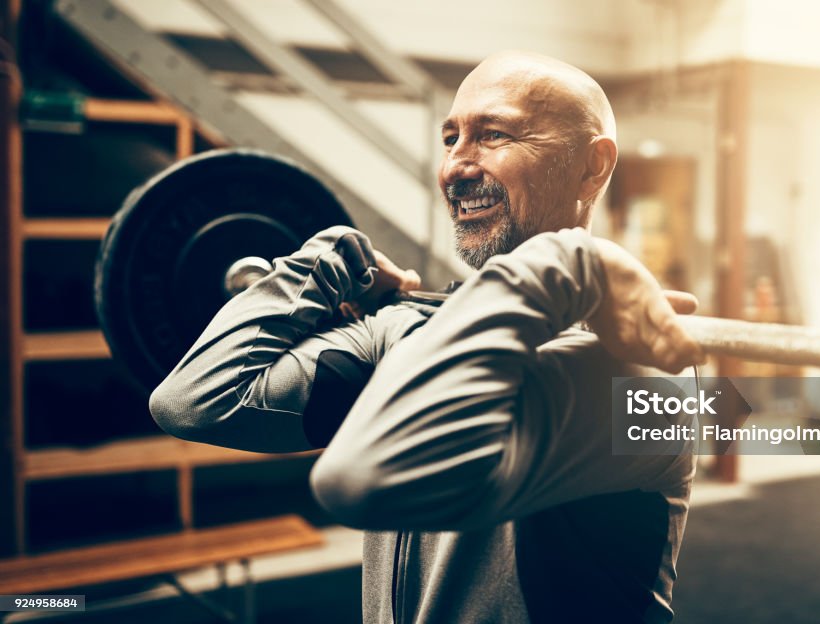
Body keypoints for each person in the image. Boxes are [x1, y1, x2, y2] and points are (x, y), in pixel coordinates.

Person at [150, 51, 705, 623]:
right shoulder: (407, 329)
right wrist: (326, 259)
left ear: (592, 167)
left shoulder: (640, 378)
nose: (455, 167)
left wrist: (563, 263)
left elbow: (365, 479)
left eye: (493, 135)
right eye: (449, 138)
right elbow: (194, 400)